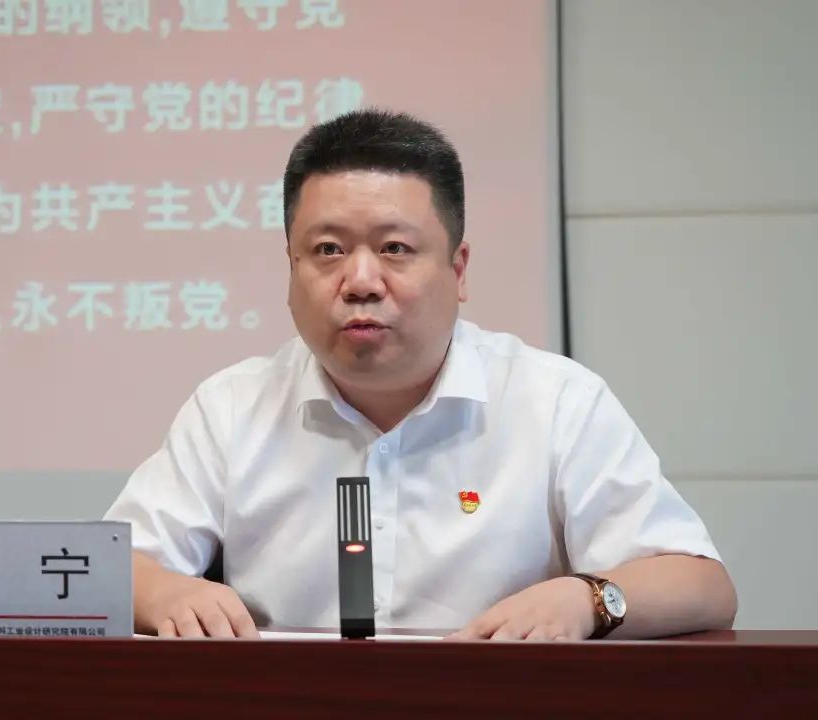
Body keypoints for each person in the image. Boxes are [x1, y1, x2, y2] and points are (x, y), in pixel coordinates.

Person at [105, 109, 737, 640]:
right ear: (290, 269)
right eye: (327, 250)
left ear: (458, 270)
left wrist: (588, 599)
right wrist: (161, 592)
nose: (360, 281)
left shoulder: (556, 401)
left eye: (395, 249)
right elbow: (114, 566)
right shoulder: (231, 408)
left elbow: (703, 586)